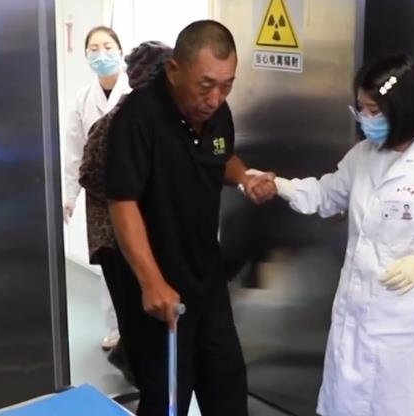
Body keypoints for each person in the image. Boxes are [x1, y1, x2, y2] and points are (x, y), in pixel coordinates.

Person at [271, 53, 414, 416]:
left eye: (374, 111)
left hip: (402, 336)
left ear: (402, 109)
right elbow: (327, 194)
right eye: (360, 109)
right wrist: (279, 185)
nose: (365, 119)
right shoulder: (363, 155)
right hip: (353, 323)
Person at [105, 20, 275, 416]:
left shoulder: (217, 114)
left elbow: (219, 155)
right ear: (174, 70)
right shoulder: (139, 117)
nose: (215, 98)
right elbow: (123, 201)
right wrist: (151, 282)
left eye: (227, 85)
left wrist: (245, 177)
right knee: (168, 396)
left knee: (227, 386)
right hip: (156, 282)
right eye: (205, 85)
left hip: (206, 277)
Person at [79, 40, 175, 384]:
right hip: (113, 236)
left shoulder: (158, 116)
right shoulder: (119, 120)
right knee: (133, 313)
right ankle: (137, 372)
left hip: (136, 234)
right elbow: (88, 173)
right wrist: (129, 194)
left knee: (142, 316)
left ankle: (135, 363)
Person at [62, 25, 131, 351]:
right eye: (93, 49)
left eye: (107, 47)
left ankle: (140, 326)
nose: (101, 54)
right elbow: (74, 152)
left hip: (135, 191)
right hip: (99, 195)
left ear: (120, 51)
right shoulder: (83, 99)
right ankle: (116, 327)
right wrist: (69, 195)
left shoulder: (136, 93)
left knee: (135, 256)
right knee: (109, 261)